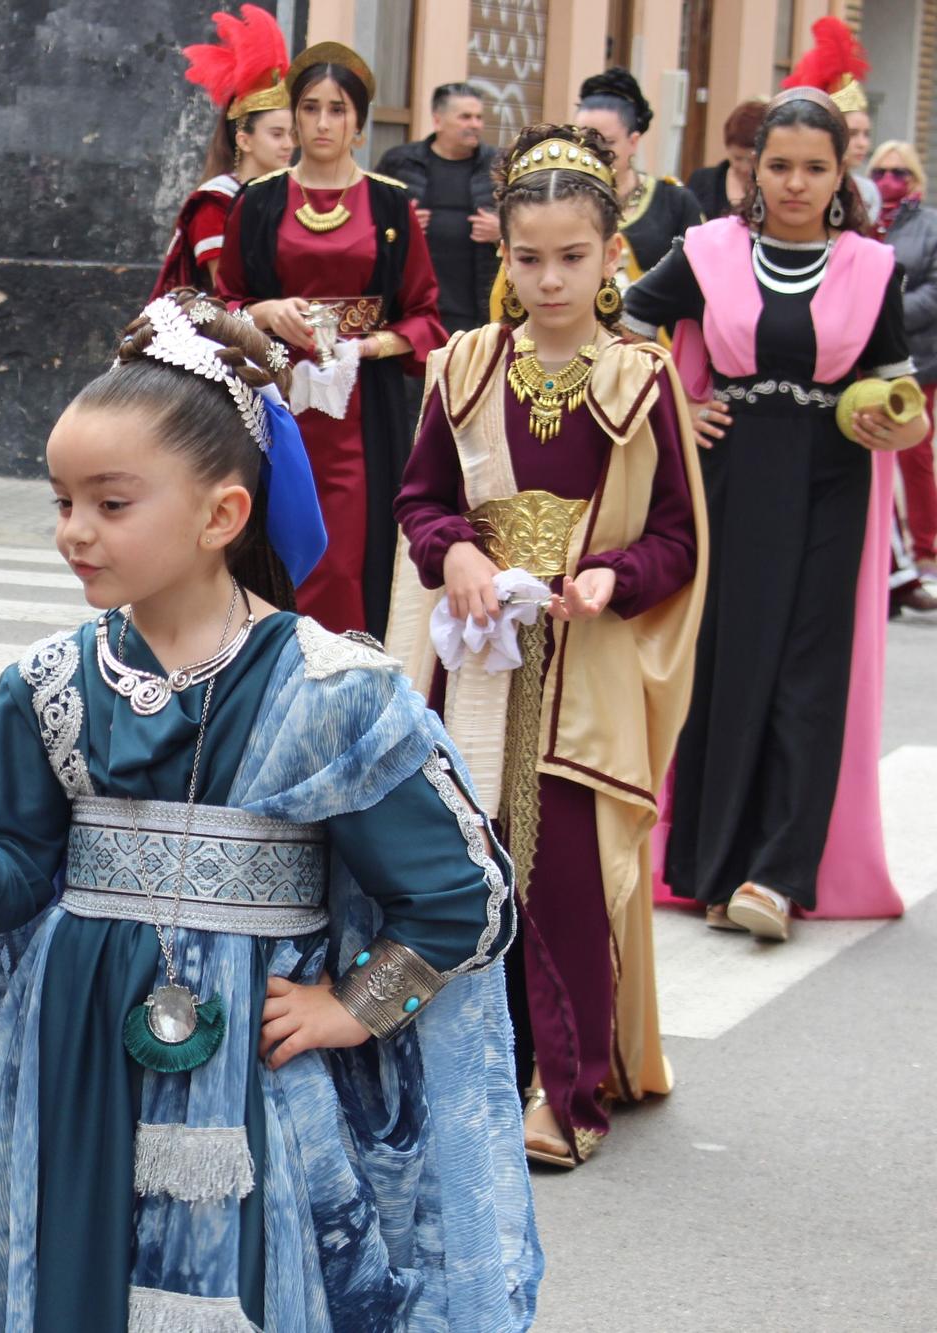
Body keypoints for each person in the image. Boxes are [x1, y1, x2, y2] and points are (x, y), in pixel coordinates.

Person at [0, 290, 538, 1332]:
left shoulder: (333, 694)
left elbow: (460, 901)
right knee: (73, 1278)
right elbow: (1, 894)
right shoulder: (44, 684)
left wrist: (350, 1004)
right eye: (60, 501)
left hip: (258, 1069)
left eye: (110, 504)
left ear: (219, 515)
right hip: (69, 1056)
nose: (74, 532)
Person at [388, 125, 706, 1168]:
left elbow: (675, 539)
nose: (548, 278)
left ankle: (563, 1092)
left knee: (561, 871)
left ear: (612, 252)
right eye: (526, 258)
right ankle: (445, 1067)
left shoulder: (637, 379)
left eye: (571, 256)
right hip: (473, 658)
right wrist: (454, 556)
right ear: (502, 255)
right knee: (455, 861)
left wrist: (615, 576)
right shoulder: (466, 365)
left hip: (582, 661)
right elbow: (420, 498)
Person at [626, 90, 927, 941]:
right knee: (726, 664)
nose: (795, 183)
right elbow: (625, 325)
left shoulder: (872, 268)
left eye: (815, 168)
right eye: (779, 165)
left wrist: (898, 418)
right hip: (728, 479)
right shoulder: (707, 251)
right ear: (755, 168)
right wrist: (676, 408)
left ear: (840, 176)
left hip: (835, 480)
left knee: (809, 671)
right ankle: (712, 868)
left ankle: (779, 873)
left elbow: (902, 392)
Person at [216, 41, 447, 636]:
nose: (323, 122)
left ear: (360, 122)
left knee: (348, 556)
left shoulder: (391, 205)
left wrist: (370, 347)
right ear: (293, 116)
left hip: (360, 414)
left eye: (338, 109)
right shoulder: (259, 202)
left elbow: (425, 316)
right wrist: (267, 311)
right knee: (274, 538)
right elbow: (224, 305)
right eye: (311, 107)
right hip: (273, 400)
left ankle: (347, 677)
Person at [152, 3, 294, 297]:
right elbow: (227, 293)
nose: (288, 144)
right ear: (245, 140)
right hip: (222, 336)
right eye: (277, 134)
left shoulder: (292, 196)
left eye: (293, 134)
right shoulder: (215, 203)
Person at [378, 81, 502, 336]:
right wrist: (401, 226)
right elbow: (370, 221)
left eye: (479, 117)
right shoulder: (400, 163)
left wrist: (502, 231)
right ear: (438, 120)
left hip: (477, 311)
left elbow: (526, 223)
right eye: (466, 117)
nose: (476, 124)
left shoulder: (498, 167)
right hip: (414, 311)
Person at [871, 140, 937, 612]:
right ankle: (890, 563)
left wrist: (887, 311)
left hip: (918, 357)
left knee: (914, 454)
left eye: (899, 171)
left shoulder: (929, 226)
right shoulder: (863, 223)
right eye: (880, 170)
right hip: (868, 358)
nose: (889, 179)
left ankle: (926, 551)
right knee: (874, 454)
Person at [573, 68, 703, 285]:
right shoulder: (558, 199)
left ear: (633, 141)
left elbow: (698, 278)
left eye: (607, 142)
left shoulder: (674, 203)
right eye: (583, 142)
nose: (593, 153)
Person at [784, 18, 880, 224]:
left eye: (866, 134)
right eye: (853, 133)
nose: (863, 143)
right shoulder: (797, 189)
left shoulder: (868, 192)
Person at [685, 98, 768, 223]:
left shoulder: (773, 188)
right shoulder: (702, 181)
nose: (745, 168)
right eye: (737, 158)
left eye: (753, 160)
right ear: (727, 149)